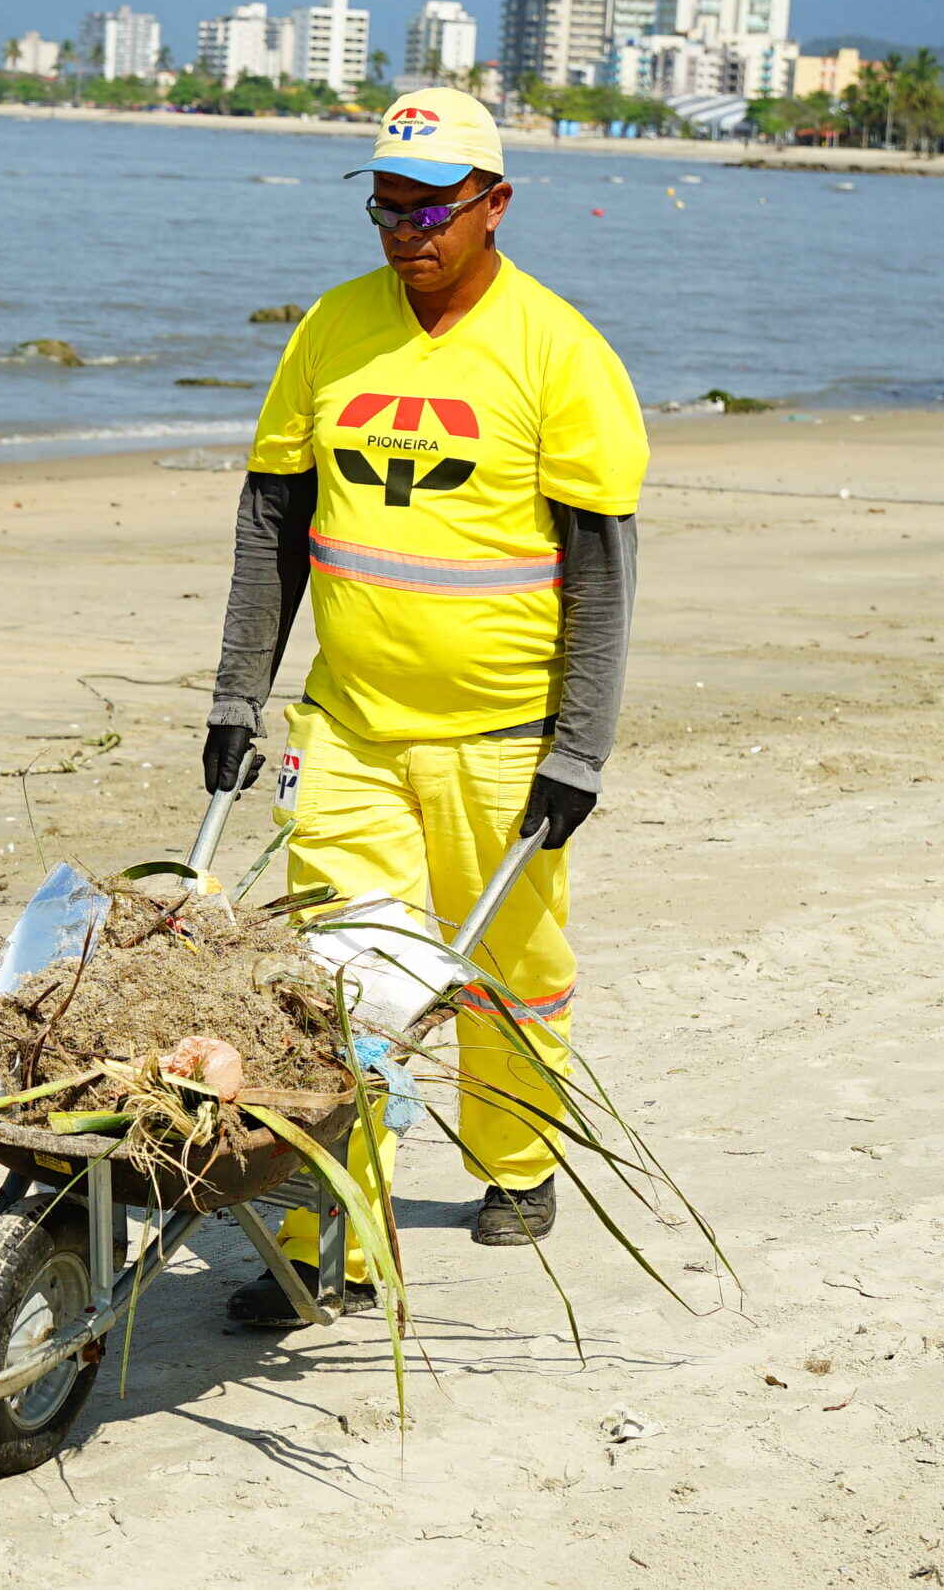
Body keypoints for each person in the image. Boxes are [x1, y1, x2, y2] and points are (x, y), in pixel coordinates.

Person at [203, 87, 647, 1328]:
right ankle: (323, 1242)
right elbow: (271, 519)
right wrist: (241, 690)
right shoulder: (332, 331)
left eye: (431, 208)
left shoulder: (558, 351)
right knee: (334, 979)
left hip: (503, 737)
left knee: (507, 968)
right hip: (347, 722)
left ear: (495, 204)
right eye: (385, 206)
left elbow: (602, 569)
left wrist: (579, 750)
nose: (405, 232)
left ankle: (515, 1161)